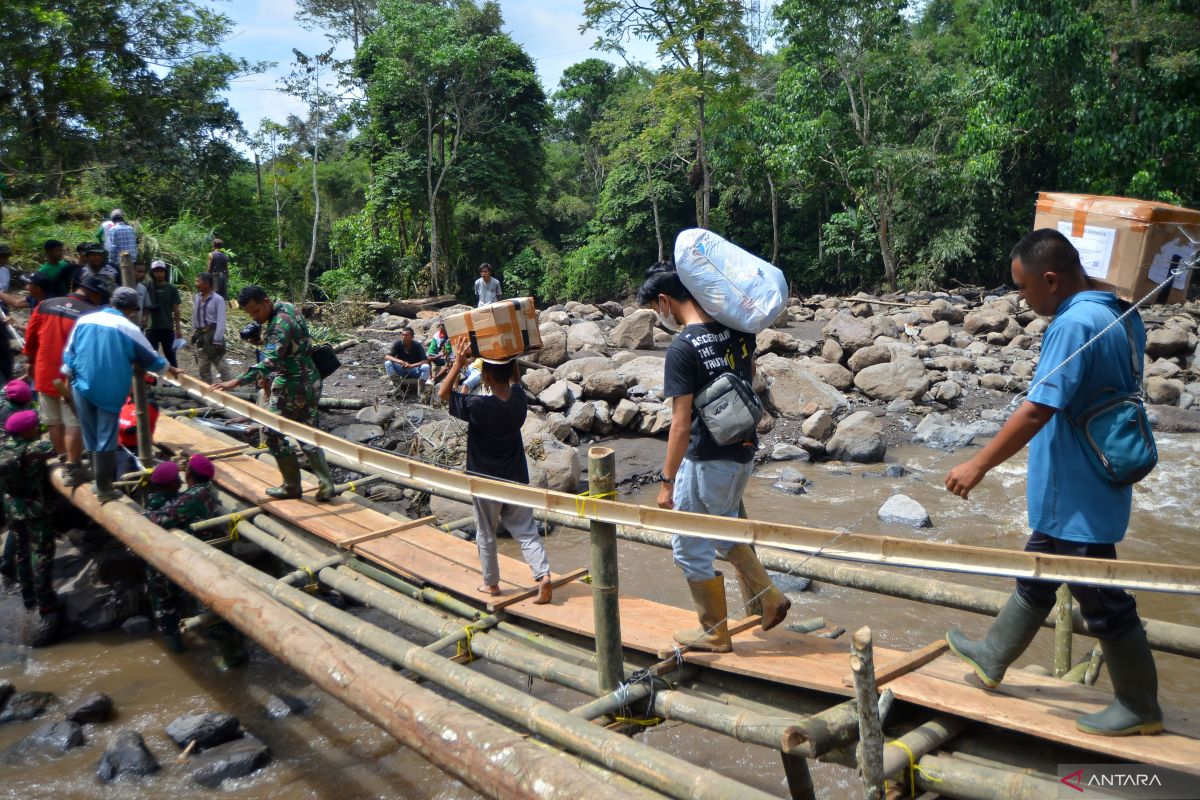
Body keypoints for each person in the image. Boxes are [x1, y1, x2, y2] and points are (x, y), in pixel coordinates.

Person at [944, 229, 1161, 737]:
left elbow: (1039, 408)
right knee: (1040, 566)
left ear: (1050, 279)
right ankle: (993, 656)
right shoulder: (1118, 312)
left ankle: (1138, 704)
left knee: (1101, 597)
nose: (1022, 299)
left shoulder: (1074, 323)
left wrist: (979, 464)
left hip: (1076, 483)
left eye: (1023, 288)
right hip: (1096, 472)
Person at [638, 262, 790, 653]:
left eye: (657, 311)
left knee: (706, 539)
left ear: (665, 301)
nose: (661, 318)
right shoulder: (737, 329)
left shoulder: (683, 349)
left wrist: (666, 482)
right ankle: (734, 618)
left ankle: (750, 609)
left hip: (707, 459)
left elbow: (680, 424)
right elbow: (750, 375)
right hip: (743, 451)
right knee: (707, 534)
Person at [438, 337, 553, 603]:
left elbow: (444, 395)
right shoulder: (518, 401)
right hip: (515, 478)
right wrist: (509, 352)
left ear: (486, 376)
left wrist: (457, 364)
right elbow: (514, 380)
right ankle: (543, 575)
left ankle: (491, 585)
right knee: (526, 531)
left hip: (485, 480)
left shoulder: (479, 406)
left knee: (486, 532)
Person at [211, 285, 337, 501]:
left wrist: (235, 382)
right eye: (251, 314)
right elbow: (291, 344)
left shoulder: (277, 326)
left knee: (271, 432)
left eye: (257, 312)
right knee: (308, 430)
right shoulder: (288, 308)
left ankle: (291, 486)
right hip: (312, 380)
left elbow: (269, 362)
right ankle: (326, 485)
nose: (255, 317)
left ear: (267, 301)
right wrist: (264, 342)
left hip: (291, 383)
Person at [62, 286, 174, 501]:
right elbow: (154, 362)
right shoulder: (127, 328)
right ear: (132, 309)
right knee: (106, 437)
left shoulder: (85, 320)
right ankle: (103, 488)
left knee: (90, 434)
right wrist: (168, 368)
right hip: (107, 388)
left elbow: (69, 355)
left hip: (80, 384)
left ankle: (97, 480)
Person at [24, 271, 108, 484]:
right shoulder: (93, 315)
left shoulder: (45, 305)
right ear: (94, 294)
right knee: (74, 421)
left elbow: (30, 338)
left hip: (44, 371)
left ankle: (62, 458)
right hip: (73, 376)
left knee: (52, 419)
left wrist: (31, 361)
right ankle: (72, 466)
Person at [0, 410, 61, 646]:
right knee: (41, 555)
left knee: (21, 553)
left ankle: (28, 599)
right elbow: (57, 446)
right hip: (37, 510)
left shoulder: (5, 447)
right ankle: (47, 604)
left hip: (14, 508)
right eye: (35, 427)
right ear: (27, 431)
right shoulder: (35, 450)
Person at [0, 380, 36, 583]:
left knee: (13, 521)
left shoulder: (2, 400)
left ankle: (7, 562)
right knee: (19, 526)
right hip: (12, 475)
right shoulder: (13, 418)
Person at [192, 272, 231, 383]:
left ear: (207, 284)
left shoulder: (218, 299)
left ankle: (229, 390)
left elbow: (221, 320)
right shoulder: (197, 297)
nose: (196, 284)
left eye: (198, 281)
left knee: (220, 364)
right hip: (200, 336)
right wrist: (194, 331)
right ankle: (208, 390)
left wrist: (218, 339)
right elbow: (195, 315)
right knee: (203, 366)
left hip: (212, 334)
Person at [144, 260, 182, 367]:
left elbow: (176, 309)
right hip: (151, 327)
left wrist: (178, 328)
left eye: (161, 271)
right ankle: (150, 381)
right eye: (156, 271)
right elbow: (144, 306)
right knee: (151, 355)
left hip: (167, 327)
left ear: (165, 273)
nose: (159, 274)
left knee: (170, 355)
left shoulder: (171, 289)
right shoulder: (147, 287)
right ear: (152, 273)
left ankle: (175, 381)